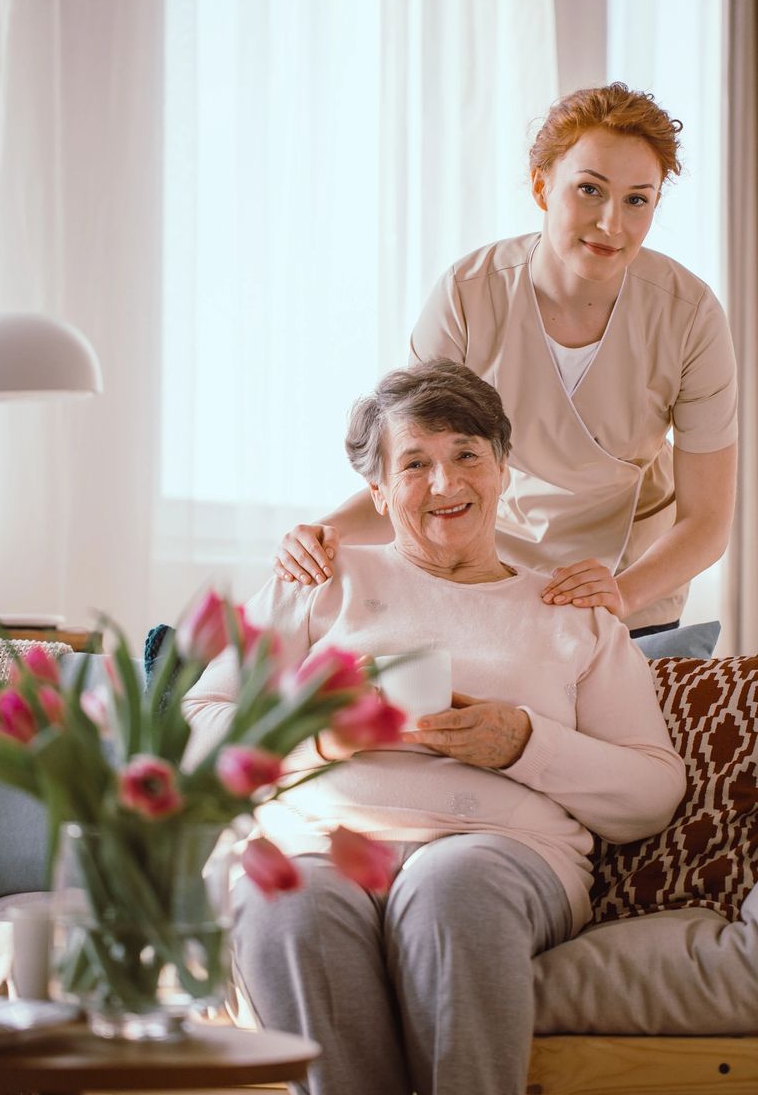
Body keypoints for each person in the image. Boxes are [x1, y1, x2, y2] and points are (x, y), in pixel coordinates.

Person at [184, 360, 686, 1095]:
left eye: (467, 457)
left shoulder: (572, 612)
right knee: (282, 897)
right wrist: (319, 737)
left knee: (451, 881)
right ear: (379, 492)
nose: (446, 485)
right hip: (316, 843)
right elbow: (202, 721)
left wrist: (524, 744)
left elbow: (652, 790)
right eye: (415, 464)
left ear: (504, 471)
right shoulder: (319, 582)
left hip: (501, 855)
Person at [272, 83, 738, 636]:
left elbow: (708, 521)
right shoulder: (468, 295)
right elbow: (413, 467)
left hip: (632, 583)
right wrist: (324, 534)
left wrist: (620, 595)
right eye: (590, 189)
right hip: (486, 576)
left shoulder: (690, 315)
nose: (613, 223)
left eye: (637, 199)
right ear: (542, 186)